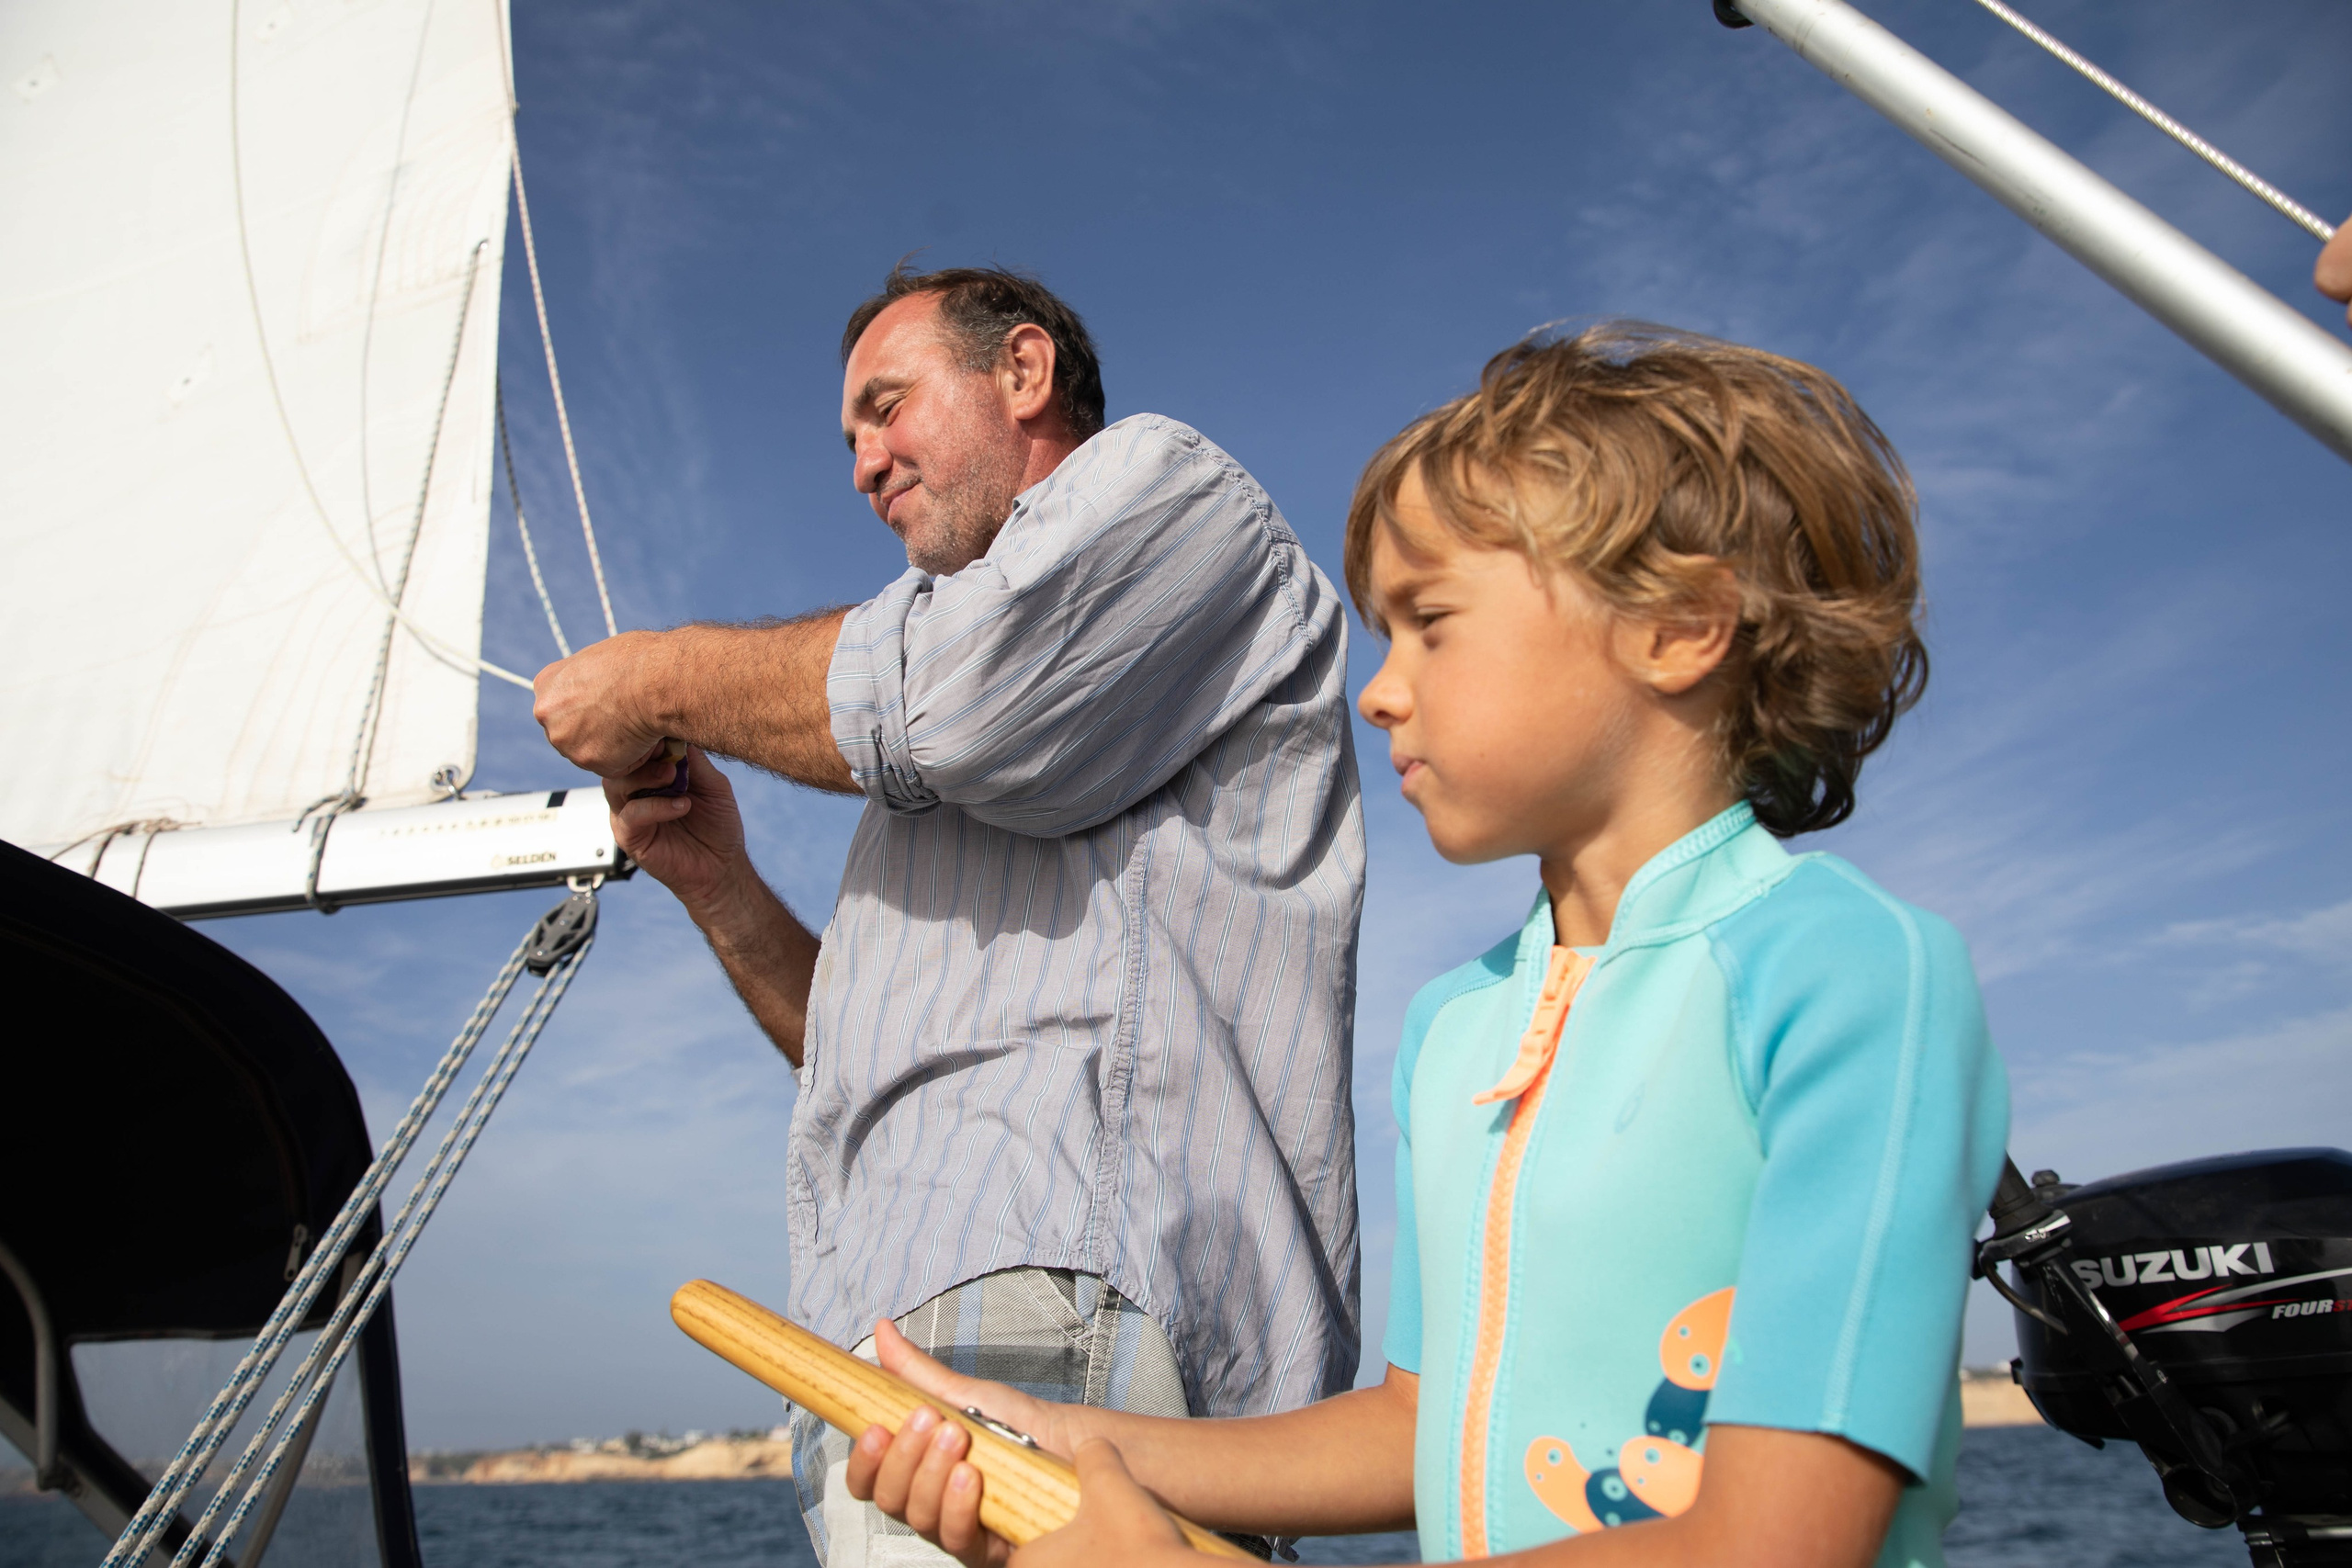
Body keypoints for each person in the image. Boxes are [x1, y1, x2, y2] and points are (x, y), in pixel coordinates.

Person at [839, 323, 2011, 1568]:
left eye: (1431, 624)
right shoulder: (1459, 1029)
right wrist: (1067, 1442)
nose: (1379, 690)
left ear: (1679, 626)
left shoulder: (1851, 975)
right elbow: (1422, 1426)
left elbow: (1778, 1543)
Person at [531, 265, 1366, 1564]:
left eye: (887, 406)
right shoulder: (949, 725)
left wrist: (657, 677)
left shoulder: (1167, 495)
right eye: (850, 438)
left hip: (1053, 1327)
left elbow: (963, 705)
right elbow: (861, 1066)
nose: (864, 464)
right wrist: (721, 887)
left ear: (1024, 374)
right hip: (898, 1357)